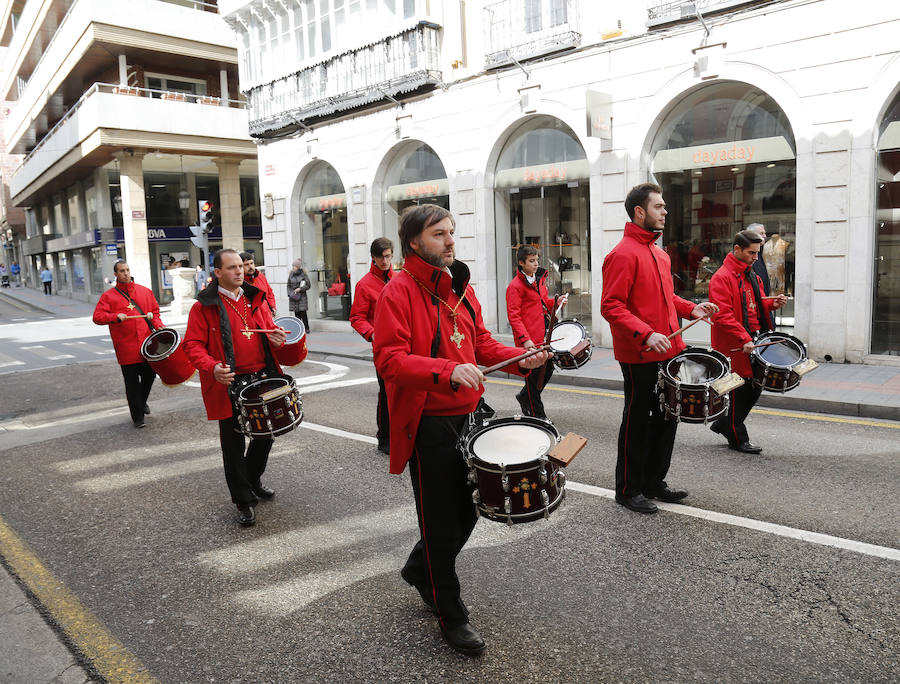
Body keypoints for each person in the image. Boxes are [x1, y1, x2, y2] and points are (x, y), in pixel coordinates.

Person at [373, 204, 549, 656]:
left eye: (451, 232)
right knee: (438, 520)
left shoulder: (459, 285)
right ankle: (451, 614)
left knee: (471, 509)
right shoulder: (397, 291)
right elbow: (389, 360)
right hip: (429, 425)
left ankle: (420, 568)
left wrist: (519, 358)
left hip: (471, 418)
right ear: (414, 242)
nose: (450, 241)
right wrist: (446, 372)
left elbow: (481, 343)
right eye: (439, 234)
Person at [601, 183, 718, 515]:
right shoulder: (621, 254)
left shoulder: (660, 253)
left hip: (670, 350)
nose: (665, 212)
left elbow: (665, 299)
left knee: (668, 418)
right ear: (640, 212)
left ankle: (653, 481)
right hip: (640, 355)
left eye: (665, 207)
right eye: (659, 207)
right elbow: (611, 306)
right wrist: (647, 333)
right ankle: (627, 489)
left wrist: (691, 308)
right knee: (637, 421)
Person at [183, 249, 288, 527]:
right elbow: (192, 345)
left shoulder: (256, 298)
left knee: (266, 434)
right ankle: (243, 500)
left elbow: (268, 331)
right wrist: (211, 367)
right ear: (217, 273)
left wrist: (276, 340)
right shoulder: (203, 307)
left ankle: (251, 479)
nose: (239, 271)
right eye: (231, 268)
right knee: (232, 445)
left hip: (261, 377)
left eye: (240, 266)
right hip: (228, 381)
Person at [708, 229, 787, 454]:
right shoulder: (721, 278)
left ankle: (724, 423)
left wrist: (773, 304)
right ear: (737, 250)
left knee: (753, 387)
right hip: (733, 344)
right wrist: (743, 337)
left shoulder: (752, 274)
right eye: (751, 253)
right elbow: (721, 315)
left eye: (757, 253)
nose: (755, 257)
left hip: (753, 339)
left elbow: (756, 304)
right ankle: (737, 437)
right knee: (737, 391)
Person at [92, 260, 163, 429]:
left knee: (149, 377)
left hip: (147, 345)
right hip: (126, 348)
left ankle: (141, 402)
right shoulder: (108, 297)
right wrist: (115, 316)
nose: (125, 273)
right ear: (115, 274)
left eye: (127, 270)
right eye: (122, 271)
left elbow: (156, 313)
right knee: (132, 384)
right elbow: (97, 317)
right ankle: (137, 417)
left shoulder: (145, 292)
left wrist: (160, 328)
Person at [505, 244, 566, 419]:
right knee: (532, 379)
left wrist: (556, 301)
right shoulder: (514, 287)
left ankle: (525, 397)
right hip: (529, 340)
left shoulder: (538, 280)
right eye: (531, 261)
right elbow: (514, 317)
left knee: (547, 370)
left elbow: (542, 303)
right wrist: (526, 340)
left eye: (537, 260)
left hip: (543, 336)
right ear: (521, 263)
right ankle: (537, 416)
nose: (536, 264)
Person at [349, 237, 394, 454]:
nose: (385, 261)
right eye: (380, 257)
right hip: (383, 349)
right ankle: (384, 437)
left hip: (407, 347)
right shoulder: (364, 284)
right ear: (373, 258)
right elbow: (356, 317)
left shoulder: (401, 279)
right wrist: (373, 334)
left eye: (388, 256)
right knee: (386, 393)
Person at [747, 223, 776, 328]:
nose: (765, 236)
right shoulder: (749, 257)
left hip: (763, 305)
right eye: (761, 233)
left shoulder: (760, 253)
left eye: (765, 233)